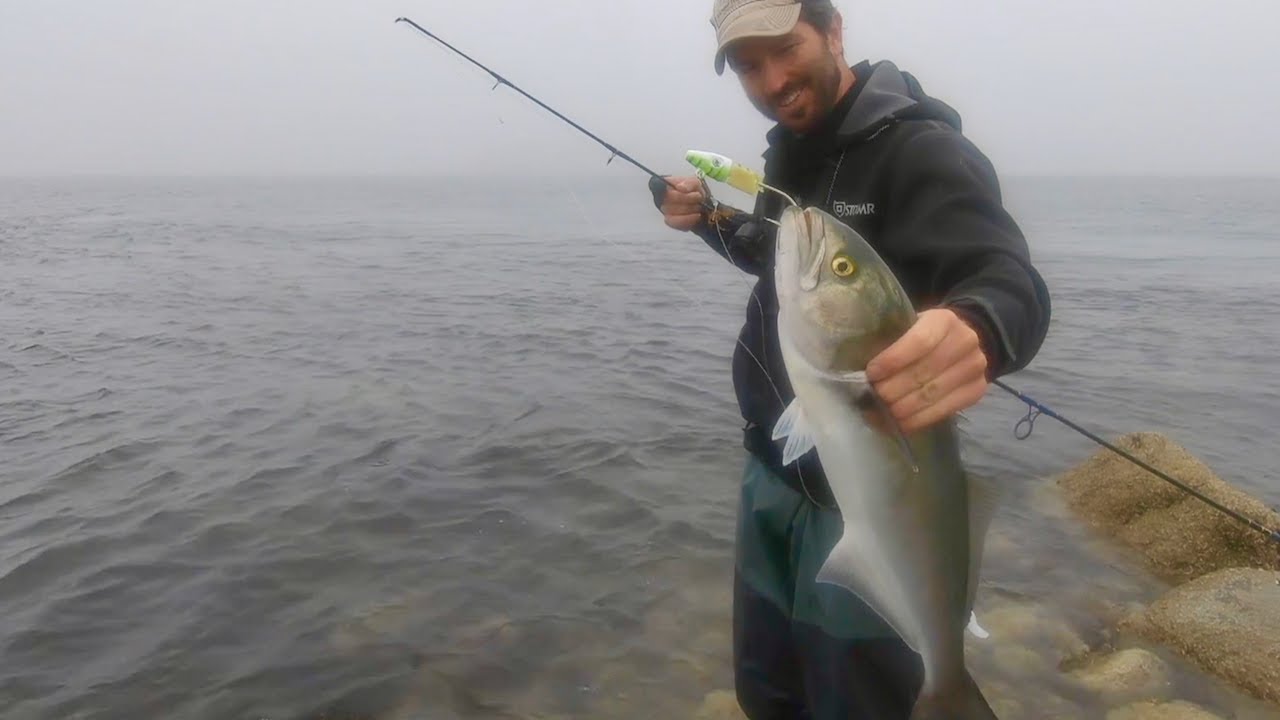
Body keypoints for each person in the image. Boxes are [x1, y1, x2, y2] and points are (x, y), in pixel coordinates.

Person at [649, 0, 1053, 717]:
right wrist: (711, 220)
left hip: (872, 508)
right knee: (768, 691)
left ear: (834, 32)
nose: (772, 80)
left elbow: (1004, 275)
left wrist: (985, 326)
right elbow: (779, 261)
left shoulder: (922, 151)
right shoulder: (789, 155)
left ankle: (946, 684)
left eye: (785, 48)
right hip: (772, 479)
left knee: (861, 704)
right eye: (748, 65)